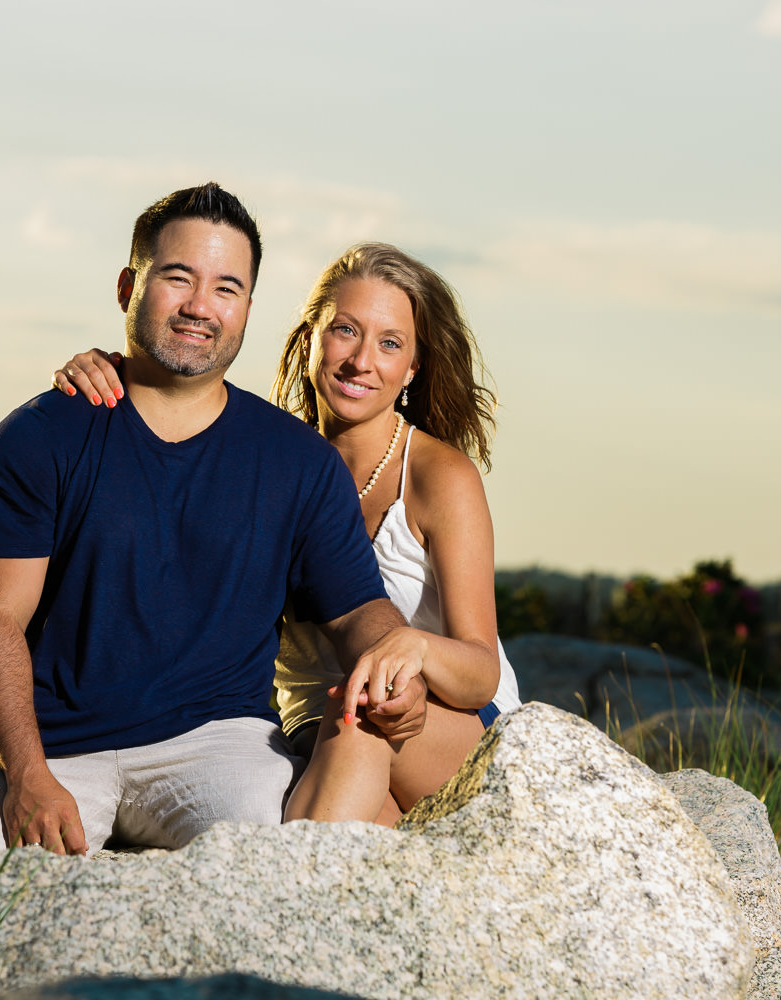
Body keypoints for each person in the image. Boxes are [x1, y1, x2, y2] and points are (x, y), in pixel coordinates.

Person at [0, 186, 435, 883]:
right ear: (129, 286)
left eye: (227, 287)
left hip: (217, 744)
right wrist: (27, 773)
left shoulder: (298, 463)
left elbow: (357, 609)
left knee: (286, 881)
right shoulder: (37, 439)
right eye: (177, 277)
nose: (199, 306)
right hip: (48, 744)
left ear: (247, 306)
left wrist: (394, 665)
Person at [54, 242, 520, 827]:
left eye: (391, 343)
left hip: (440, 724)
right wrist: (117, 372)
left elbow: (482, 673)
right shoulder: (272, 458)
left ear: (414, 368)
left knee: (363, 713)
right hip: (313, 727)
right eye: (345, 331)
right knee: (365, 829)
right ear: (309, 340)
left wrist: (415, 648)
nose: (361, 361)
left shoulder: (438, 477)